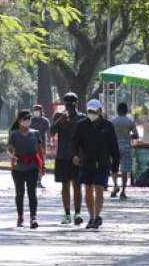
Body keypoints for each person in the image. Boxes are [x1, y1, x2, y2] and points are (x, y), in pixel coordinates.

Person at [72, 99, 119, 229]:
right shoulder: (81, 125)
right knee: (87, 190)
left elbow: (114, 146)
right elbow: (75, 142)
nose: (92, 113)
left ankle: (97, 216)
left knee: (99, 189)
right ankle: (91, 216)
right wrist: (75, 155)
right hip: (87, 162)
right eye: (89, 111)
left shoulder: (108, 126)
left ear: (100, 111)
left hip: (102, 163)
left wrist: (115, 165)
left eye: (94, 111)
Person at [50, 92, 84, 225]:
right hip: (63, 156)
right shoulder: (59, 116)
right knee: (65, 185)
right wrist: (59, 121)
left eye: (72, 103)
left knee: (77, 185)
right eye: (67, 103)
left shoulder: (82, 117)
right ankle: (67, 213)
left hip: (76, 157)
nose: (69, 106)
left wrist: (81, 155)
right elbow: (51, 132)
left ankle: (78, 213)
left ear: (76, 103)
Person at [7, 110, 44, 228]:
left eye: (29, 119)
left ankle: (33, 217)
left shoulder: (35, 133)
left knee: (32, 192)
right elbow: (9, 148)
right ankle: (20, 216)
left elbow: (40, 150)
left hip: (32, 166)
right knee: (19, 193)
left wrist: (42, 166)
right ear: (19, 121)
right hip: (18, 168)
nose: (27, 121)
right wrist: (12, 156)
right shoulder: (14, 134)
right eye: (24, 119)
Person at [110, 102, 138, 200]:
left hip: (115, 147)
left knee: (114, 167)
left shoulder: (113, 121)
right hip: (126, 147)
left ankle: (115, 185)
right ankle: (123, 191)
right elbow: (136, 135)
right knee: (125, 169)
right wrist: (128, 135)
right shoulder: (129, 121)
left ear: (117, 110)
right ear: (126, 110)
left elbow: (109, 135)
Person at [29, 104, 51, 189]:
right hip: (31, 145)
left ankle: (39, 181)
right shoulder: (30, 120)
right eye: (35, 110)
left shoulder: (45, 121)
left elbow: (48, 132)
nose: (36, 112)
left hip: (42, 145)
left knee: (41, 164)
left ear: (41, 111)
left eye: (38, 110)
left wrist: (49, 141)